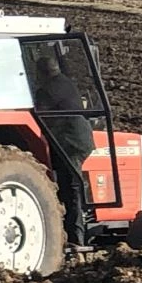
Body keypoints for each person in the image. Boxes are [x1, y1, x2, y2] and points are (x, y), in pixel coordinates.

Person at [34, 54, 95, 247]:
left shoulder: (48, 91)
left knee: (71, 187)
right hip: (72, 139)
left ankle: (76, 238)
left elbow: (38, 113)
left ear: (40, 73)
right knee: (68, 186)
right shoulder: (66, 83)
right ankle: (71, 234)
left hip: (70, 141)